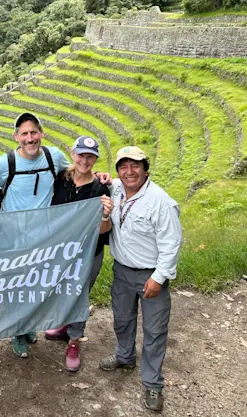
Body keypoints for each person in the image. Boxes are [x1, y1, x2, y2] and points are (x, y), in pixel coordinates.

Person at [98, 146, 182, 413]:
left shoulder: (160, 201)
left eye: (135, 166)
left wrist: (158, 278)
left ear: (146, 169)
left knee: (155, 331)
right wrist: (101, 176)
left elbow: (171, 243)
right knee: (122, 319)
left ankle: (153, 384)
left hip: (151, 274)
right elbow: (100, 180)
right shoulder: (115, 189)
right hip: (122, 271)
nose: (129, 172)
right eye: (123, 166)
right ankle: (124, 357)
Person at [0, 112, 71, 358]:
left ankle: (28, 324)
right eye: (24, 134)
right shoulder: (6, 163)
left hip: (42, 237)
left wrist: (102, 178)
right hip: (11, 237)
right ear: (16, 137)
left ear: (42, 133)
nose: (30, 138)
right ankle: (18, 331)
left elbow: (73, 172)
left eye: (34, 132)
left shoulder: (53, 157)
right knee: (14, 286)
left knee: (34, 284)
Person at [44, 136, 113, 372]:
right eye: (81, 155)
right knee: (63, 290)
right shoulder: (61, 178)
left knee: (80, 293)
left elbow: (104, 231)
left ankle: (74, 340)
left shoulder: (100, 188)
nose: (85, 160)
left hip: (88, 253)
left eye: (91, 157)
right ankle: (64, 327)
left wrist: (105, 215)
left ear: (95, 159)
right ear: (73, 154)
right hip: (61, 251)